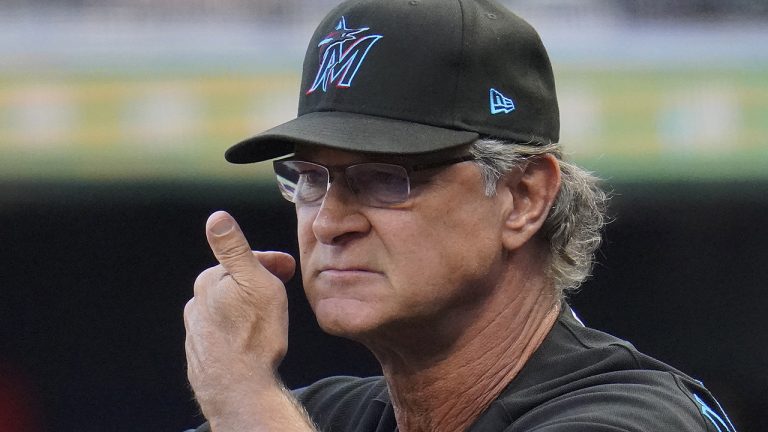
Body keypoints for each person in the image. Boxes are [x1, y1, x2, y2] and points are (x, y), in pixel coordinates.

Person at [183, 0, 737, 430]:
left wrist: (243, 395)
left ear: (523, 197)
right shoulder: (330, 415)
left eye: (384, 178)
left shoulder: (634, 418)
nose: (329, 223)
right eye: (310, 178)